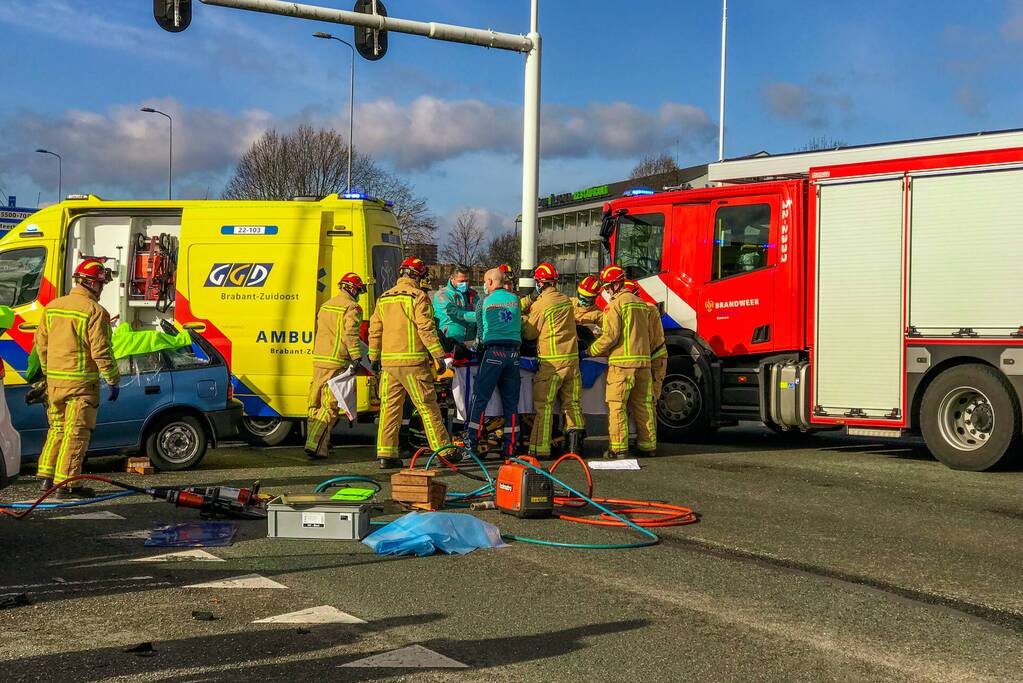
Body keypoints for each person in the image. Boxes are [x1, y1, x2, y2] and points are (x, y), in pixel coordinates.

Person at [35, 258, 120, 498]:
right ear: (93, 284)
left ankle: (46, 478)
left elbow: (41, 346)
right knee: (76, 433)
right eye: (101, 285)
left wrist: (48, 373)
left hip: (54, 384)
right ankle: (69, 485)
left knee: (57, 429)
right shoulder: (95, 312)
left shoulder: (52, 307)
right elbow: (101, 351)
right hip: (81, 386)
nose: (102, 290)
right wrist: (113, 380)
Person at [369, 256, 450, 469]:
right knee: (427, 407)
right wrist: (438, 356)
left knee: (389, 409)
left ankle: (386, 455)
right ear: (416, 275)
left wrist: (374, 358)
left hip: (389, 366)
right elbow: (426, 329)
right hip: (413, 364)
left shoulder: (384, 298)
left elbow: (375, 331)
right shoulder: (418, 297)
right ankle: (442, 453)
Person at [587, 265, 656, 459]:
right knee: (643, 406)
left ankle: (618, 448)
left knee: (617, 406)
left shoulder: (615, 305)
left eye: (608, 287)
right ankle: (648, 445)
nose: (607, 291)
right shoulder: (641, 304)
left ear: (616, 284)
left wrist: (590, 350)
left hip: (622, 365)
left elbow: (610, 336)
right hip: (644, 363)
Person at [522, 262, 585, 458]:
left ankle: (540, 450)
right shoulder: (565, 300)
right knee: (572, 404)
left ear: (539, 283)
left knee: (544, 406)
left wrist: (522, 321)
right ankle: (575, 449)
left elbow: (531, 334)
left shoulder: (541, 304)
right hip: (572, 361)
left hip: (551, 364)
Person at [304, 272, 366, 460]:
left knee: (315, 403)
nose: (359, 295)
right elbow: (350, 335)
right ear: (353, 289)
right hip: (337, 361)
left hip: (320, 359)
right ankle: (315, 445)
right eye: (359, 291)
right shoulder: (352, 307)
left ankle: (322, 444)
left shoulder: (326, 305)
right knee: (330, 405)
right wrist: (356, 357)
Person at [464, 268, 522, 456]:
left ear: (489, 282)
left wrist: (475, 350)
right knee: (511, 404)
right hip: (513, 356)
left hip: (493, 354)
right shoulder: (515, 300)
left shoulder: (484, 301)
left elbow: (481, 334)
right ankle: (510, 447)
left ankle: (471, 442)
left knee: (480, 399)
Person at [624, 279, 667, 411]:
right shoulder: (646, 308)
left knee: (650, 401)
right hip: (650, 358)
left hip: (654, 359)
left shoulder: (647, 309)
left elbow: (647, 337)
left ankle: (650, 432)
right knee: (644, 402)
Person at [433, 264, 478, 348]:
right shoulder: (442, 295)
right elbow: (455, 313)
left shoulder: (473, 294)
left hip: (471, 342)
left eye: (467, 281)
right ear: (452, 279)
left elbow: (479, 309)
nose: (465, 284)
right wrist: (478, 316)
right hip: (450, 340)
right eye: (461, 281)